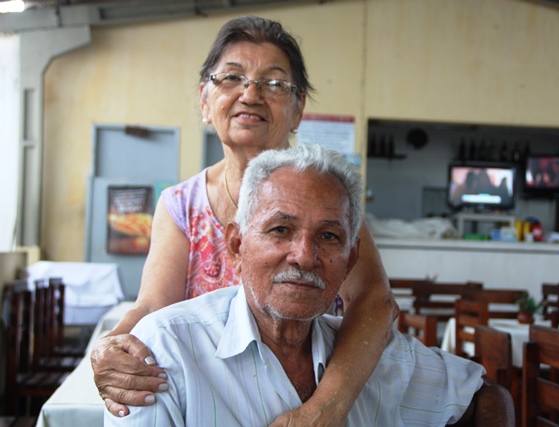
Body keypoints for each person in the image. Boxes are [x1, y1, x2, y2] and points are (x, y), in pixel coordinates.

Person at [91, 16, 398, 425]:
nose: (250, 94)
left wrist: (323, 411)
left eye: (273, 83)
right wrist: (110, 346)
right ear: (205, 99)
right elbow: (152, 305)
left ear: (298, 107)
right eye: (231, 78)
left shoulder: (327, 201)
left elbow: (375, 302)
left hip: (310, 394)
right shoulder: (181, 204)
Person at [103, 145, 515, 427]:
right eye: (281, 229)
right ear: (236, 244)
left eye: (329, 237)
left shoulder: (376, 357)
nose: (304, 254)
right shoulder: (163, 355)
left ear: (351, 260)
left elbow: (487, 398)